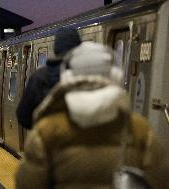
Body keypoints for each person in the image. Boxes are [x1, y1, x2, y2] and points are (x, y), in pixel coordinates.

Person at [15, 42, 169, 189]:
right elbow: (160, 180)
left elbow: (28, 183)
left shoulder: (47, 130)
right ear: (114, 75)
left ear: (68, 77)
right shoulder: (139, 129)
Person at [16, 27, 81, 129]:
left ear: (56, 49)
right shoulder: (92, 73)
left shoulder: (40, 77)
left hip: (52, 140)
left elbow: (23, 117)